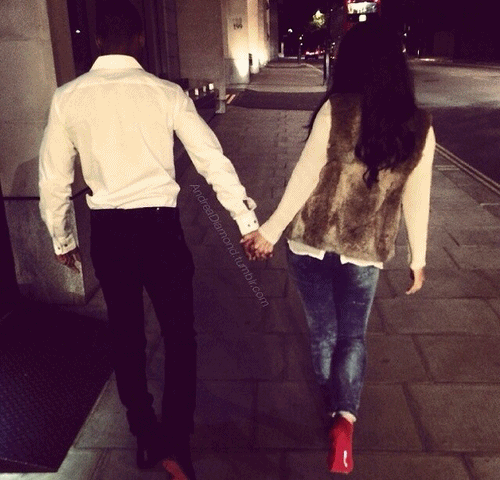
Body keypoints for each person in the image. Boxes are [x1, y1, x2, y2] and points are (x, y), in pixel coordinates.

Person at [38, 1, 258, 479]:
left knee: (126, 334)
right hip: (160, 229)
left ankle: (144, 434)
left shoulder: (68, 97)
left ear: (98, 41)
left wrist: (62, 238)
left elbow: (54, 179)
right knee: (179, 335)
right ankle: (177, 441)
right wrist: (245, 220)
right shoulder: (165, 94)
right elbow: (210, 158)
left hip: (109, 233)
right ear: (139, 40)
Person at [241, 19, 435, 475]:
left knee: (323, 334)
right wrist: (419, 258)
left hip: (311, 243)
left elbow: (304, 177)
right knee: (353, 337)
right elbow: (417, 197)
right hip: (365, 251)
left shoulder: (337, 110)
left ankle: (333, 409)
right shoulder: (421, 126)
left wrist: (270, 230)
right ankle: (345, 420)